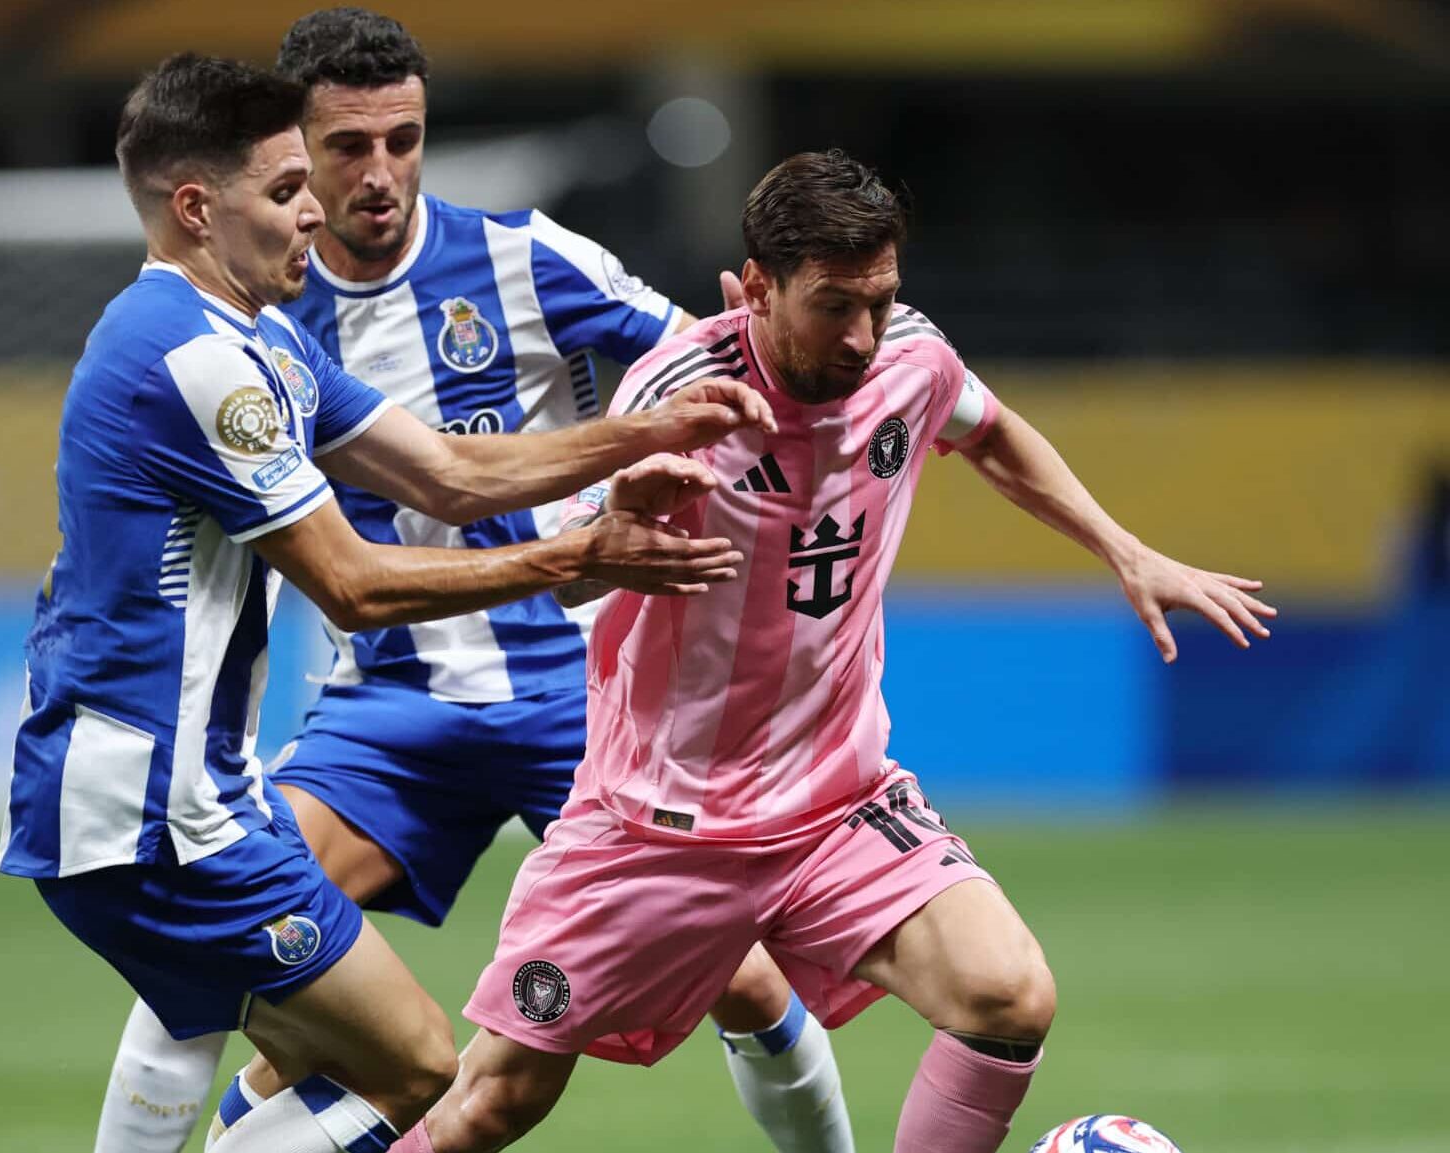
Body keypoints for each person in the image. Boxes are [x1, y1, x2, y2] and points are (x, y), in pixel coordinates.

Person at [387, 150, 1278, 1153]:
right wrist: (610, 541)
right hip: (663, 824)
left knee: (1007, 992)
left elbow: (987, 430)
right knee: (494, 1102)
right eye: (831, 306)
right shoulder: (680, 393)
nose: (860, 335)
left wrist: (1122, 549)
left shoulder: (911, 356)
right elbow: (571, 575)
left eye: (880, 300)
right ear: (757, 288)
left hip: (835, 805)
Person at [96, 12, 856, 1153]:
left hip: (581, 701)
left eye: (402, 140)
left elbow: (712, 367)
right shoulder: (252, 311)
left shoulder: (522, 256)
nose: (379, 174)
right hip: (389, 705)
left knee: (740, 982)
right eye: (346, 148)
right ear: (292, 158)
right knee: (212, 953)